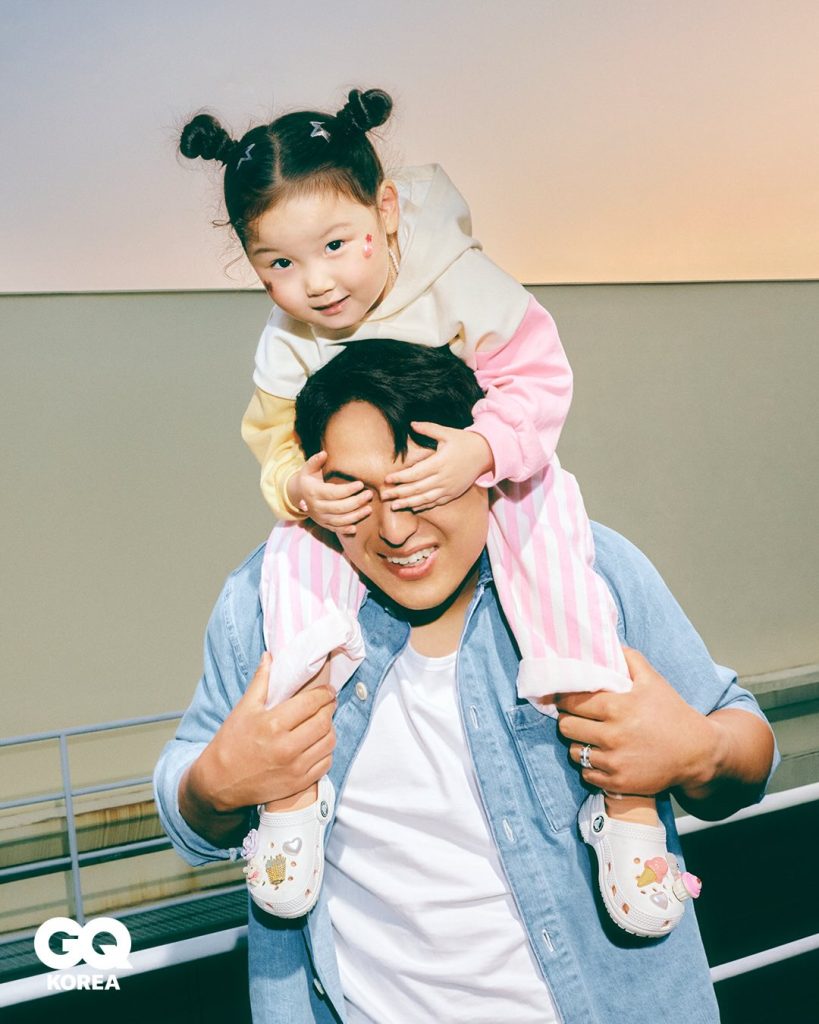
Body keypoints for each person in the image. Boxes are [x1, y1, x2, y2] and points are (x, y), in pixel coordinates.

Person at [178, 87, 691, 935]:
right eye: (278, 264)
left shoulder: (458, 280)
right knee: (291, 567)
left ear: (385, 209)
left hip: (495, 474)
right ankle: (292, 798)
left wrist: (481, 450)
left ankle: (626, 807)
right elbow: (272, 441)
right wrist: (300, 489)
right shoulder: (285, 340)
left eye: (334, 245)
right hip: (342, 506)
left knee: (560, 576)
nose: (315, 283)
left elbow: (538, 379)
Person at [154, 340, 776, 1024]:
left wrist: (698, 752)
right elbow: (189, 812)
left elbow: (747, 750)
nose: (394, 529)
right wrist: (216, 784)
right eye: (355, 494)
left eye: (422, 487)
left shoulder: (585, 574)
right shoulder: (268, 604)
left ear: (484, 464)